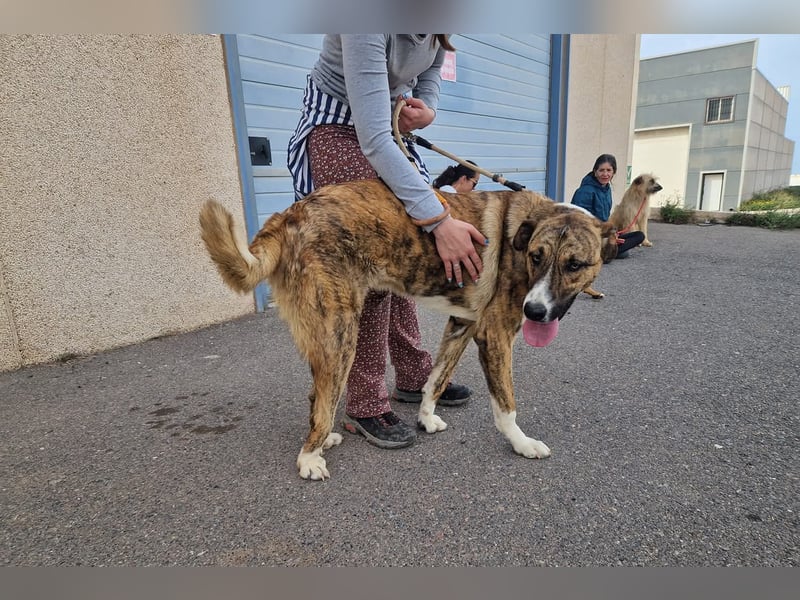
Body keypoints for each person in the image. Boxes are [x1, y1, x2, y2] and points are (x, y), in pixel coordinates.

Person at [287, 34, 488, 450]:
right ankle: (364, 404)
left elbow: (431, 70)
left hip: (387, 127)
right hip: (337, 129)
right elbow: (374, 138)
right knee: (375, 266)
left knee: (406, 255)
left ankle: (415, 378)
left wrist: (427, 110)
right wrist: (439, 219)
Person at [570, 153, 645, 258]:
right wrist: (606, 233)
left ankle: (609, 250)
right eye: (601, 170)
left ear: (613, 172)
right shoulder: (585, 191)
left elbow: (604, 218)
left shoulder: (606, 189)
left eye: (608, 170)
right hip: (586, 236)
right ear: (595, 172)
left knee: (639, 236)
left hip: (602, 233)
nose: (605, 174)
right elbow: (578, 220)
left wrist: (611, 233)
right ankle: (603, 252)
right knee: (623, 252)